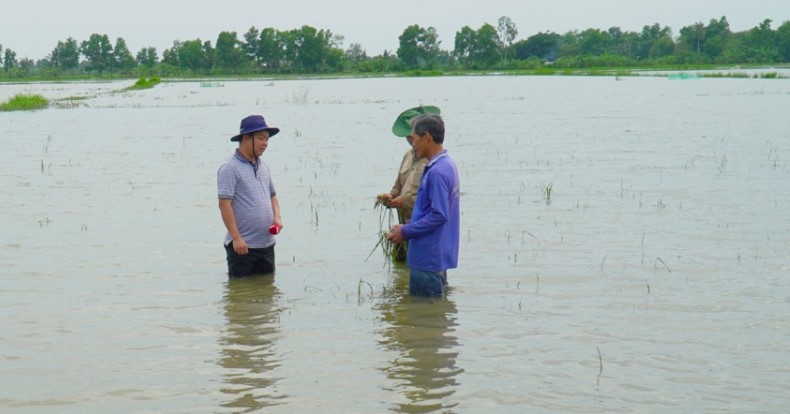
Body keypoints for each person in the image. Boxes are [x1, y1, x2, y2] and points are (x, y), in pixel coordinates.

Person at [387, 113, 460, 296]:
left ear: (426, 137)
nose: (412, 144)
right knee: (435, 314)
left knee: (423, 317)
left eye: (415, 139)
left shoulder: (437, 172)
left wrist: (405, 231)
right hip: (435, 255)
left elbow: (439, 215)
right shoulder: (446, 165)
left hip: (428, 257)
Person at [217, 114, 283, 278]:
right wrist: (236, 238)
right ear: (246, 138)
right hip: (242, 247)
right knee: (239, 296)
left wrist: (277, 217)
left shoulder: (263, 166)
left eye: (267, 139)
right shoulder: (229, 168)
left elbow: (273, 196)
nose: (265, 144)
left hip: (267, 244)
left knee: (266, 291)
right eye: (261, 138)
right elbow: (224, 205)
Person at [379, 105, 439, 261]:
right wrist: (390, 196)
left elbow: (434, 203)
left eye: (414, 137)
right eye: (409, 137)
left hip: (423, 228)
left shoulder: (434, 163)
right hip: (405, 226)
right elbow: (399, 185)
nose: (411, 141)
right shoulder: (407, 156)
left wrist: (403, 201)